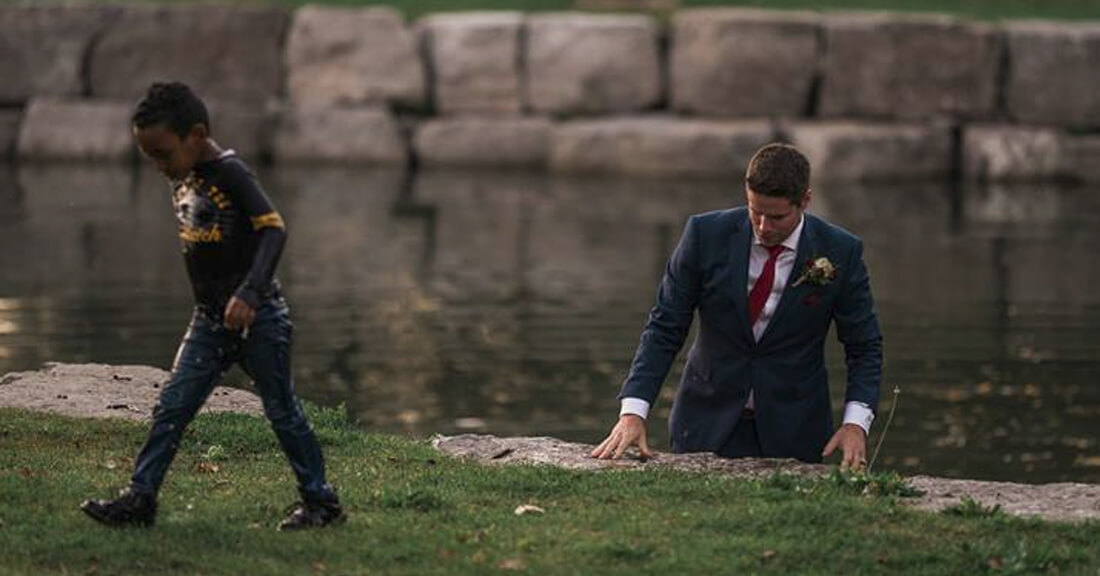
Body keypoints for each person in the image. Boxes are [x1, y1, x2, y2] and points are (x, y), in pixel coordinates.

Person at [80, 82, 345, 530]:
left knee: (282, 411)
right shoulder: (183, 173)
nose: (159, 167)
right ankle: (140, 499)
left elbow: (274, 228)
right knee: (173, 406)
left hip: (259, 319)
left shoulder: (231, 172)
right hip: (208, 321)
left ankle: (322, 502)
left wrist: (249, 292)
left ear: (197, 135)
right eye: (151, 158)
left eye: (163, 154)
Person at [590, 143, 882, 468]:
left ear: (806, 201)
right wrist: (634, 411)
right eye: (754, 211)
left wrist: (855, 422)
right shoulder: (704, 235)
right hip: (704, 419)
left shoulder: (841, 251)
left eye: (776, 217)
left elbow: (864, 346)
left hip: (796, 426)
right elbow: (665, 326)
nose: (763, 227)